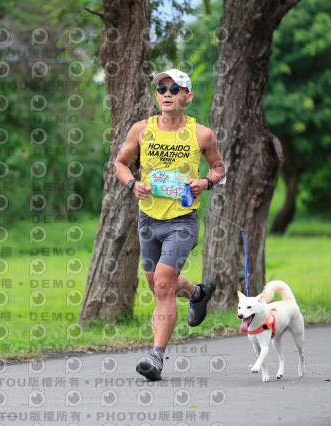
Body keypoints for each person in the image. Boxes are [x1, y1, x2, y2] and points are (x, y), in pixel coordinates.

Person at [114, 68, 226, 380]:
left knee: (163, 282)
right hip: (148, 219)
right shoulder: (141, 129)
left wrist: (206, 181)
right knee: (157, 284)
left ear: (188, 97)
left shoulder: (201, 134)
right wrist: (132, 184)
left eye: (175, 89)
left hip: (182, 221)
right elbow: (120, 163)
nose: (167, 93)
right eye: (161, 88)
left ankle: (156, 357)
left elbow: (219, 166)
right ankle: (196, 293)